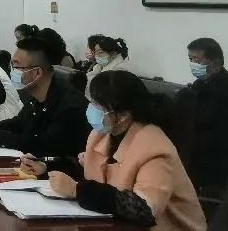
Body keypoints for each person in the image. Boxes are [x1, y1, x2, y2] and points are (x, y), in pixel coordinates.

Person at [22, 71, 206, 230]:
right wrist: (46, 167)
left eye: (97, 105)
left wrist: (77, 190)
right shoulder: (102, 134)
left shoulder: (154, 147)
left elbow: (144, 210)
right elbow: (94, 174)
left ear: (123, 115)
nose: (91, 109)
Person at [0, 36, 89, 157]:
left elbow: (45, 146)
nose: (12, 71)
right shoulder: (35, 96)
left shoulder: (70, 105)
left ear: (37, 72)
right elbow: (18, 124)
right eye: (11, 66)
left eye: (17, 67)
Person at [187, 37, 228, 195]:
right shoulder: (198, 85)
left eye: (196, 59)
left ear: (215, 61)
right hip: (193, 160)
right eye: (190, 59)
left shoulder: (227, 90)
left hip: (213, 169)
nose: (192, 64)